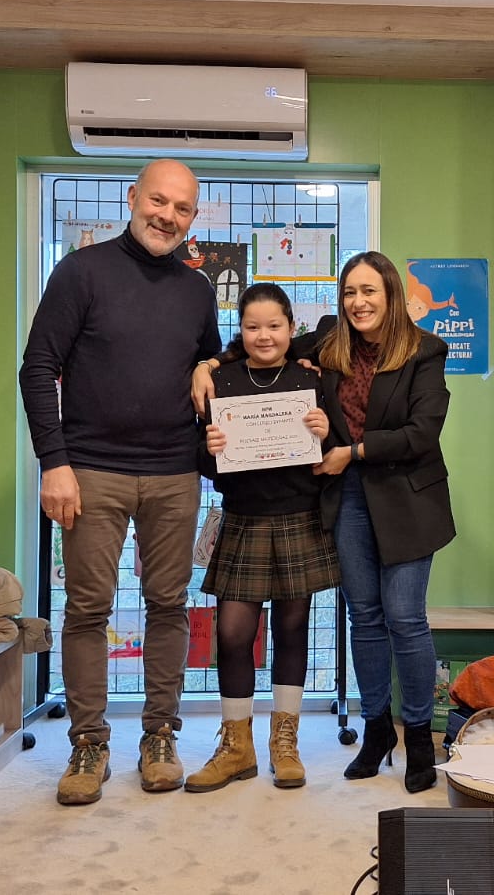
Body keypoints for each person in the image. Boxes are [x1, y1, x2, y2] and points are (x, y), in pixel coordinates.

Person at [19, 158, 221, 803]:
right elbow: (37, 367)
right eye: (158, 201)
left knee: (168, 607)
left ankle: (160, 736)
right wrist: (55, 462)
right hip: (91, 470)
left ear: (194, 218)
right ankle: (88, 745)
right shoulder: (81, 272)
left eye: (182, 208)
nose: (167, 215)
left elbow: (211, 361)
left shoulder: (197, 289)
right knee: (87, 611)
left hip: (173, 472)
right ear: (133, 198)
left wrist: (208, 364)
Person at [185, 284, 338, 793]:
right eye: (253, 326)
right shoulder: (221, 382)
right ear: (241, 330)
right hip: (244, 517)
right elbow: (212, 467)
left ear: (291, 329)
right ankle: (236, 747)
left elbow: (329, 457)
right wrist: (210, 448)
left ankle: (285, 743)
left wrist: (325, 429)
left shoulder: (311, 379)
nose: (264, 335)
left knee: (293, 629)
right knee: (232, 632)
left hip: (299, 515)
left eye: (274, 326)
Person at [315, 252, 456, 793]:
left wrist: (351, 451)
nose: (358, 302)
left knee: (404, 618)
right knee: (365, 618)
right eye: (350, 291)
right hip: (347, 499)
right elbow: (269, 342)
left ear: (392, 294)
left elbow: (421, 434)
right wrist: (210, 364)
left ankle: (419, 735)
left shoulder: (425, 349)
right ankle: (377, 731)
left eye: (369, 290)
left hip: (408, 501)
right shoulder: (330, 342)